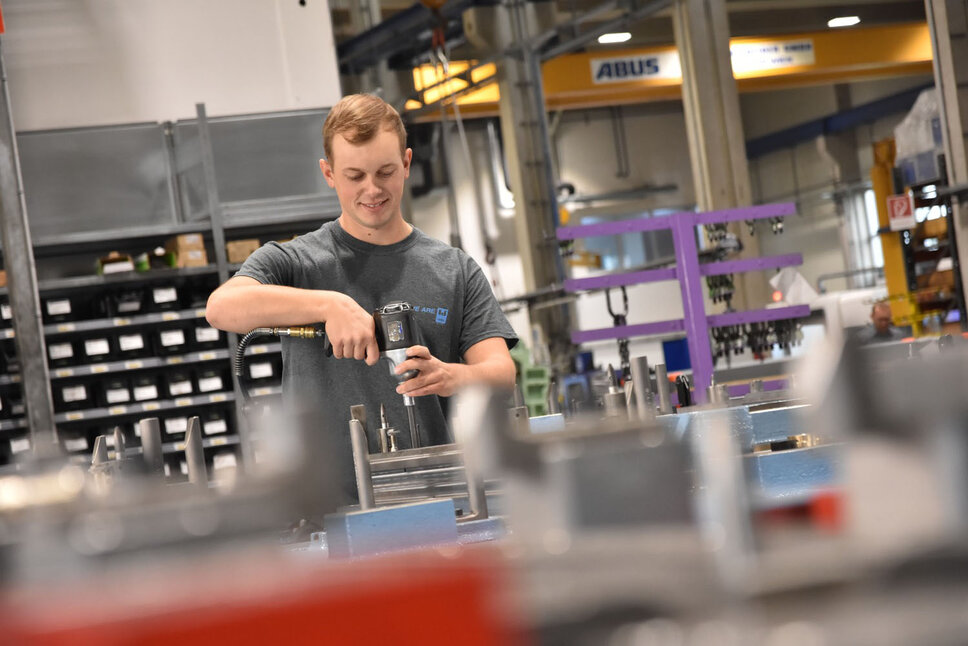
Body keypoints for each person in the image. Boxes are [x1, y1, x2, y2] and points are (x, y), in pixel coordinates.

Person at [206, 94, 517, 499]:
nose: (372, 190)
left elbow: (501, 373)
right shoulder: (297, 262)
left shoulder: (454, 269)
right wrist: (328, 304)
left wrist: (451, 375)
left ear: (406, 163)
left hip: (437, 498)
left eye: (385, 171)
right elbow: (221, 308)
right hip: (326, 506)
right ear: (329, 173)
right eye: (354, 176)